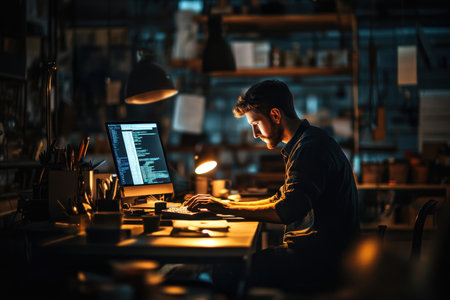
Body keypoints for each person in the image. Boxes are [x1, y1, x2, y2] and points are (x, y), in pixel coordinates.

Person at [184, 80, 360, 290]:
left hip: (322, 262)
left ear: (276, 115)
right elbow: (280, 199)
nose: (255, 134)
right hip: (321, 255)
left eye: (255, 124)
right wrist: (222, 205)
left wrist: (225, 207)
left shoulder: (310, 148)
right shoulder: (305, 142)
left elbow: (287, 211)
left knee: (227, 269)